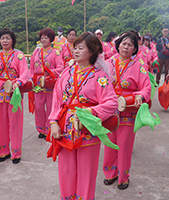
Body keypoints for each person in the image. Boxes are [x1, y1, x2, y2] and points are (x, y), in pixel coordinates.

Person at [49, 32, 118, 199]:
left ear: (93, 52)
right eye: (75, 48)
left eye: (81, 48)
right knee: (66, 170)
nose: (76, 51)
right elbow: (57, 99)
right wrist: (53, 122)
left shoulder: (99, 77)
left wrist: (90, 112)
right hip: (65, 128)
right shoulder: (66, 73)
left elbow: (111, 102)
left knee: (87, 172)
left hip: (87, 130)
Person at [103, 31, 151, 190]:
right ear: (118, 45)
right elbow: (99, 84)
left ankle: (123, 176)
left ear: (135, 49)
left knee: (124, 146)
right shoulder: (108, 63)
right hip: (110, 110)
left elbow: (146, 88)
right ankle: (110, 173)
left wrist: (139, 96)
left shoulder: (139, 66)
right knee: (110, 144)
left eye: (130, 45)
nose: (126, 47)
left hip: (127, 110)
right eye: (123, 43)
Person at [0, 28, 29, 163]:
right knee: (1, 123)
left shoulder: (19, 55)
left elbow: (24, 73)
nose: (4, 41)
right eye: (2, 38)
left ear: (12, 40)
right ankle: (3, 151)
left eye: (7, 38)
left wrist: (18, 82)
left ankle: (16, 152)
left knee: (15, 123)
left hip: (14, 93)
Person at [29, 28, 64, 139]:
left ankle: (49, 129)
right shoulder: (36, 52)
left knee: (50, 107)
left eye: (46, 38)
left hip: (50, 83)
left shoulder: (55, 53)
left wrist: (50, 73)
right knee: (38, 107)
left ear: (51, 39)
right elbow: (32, 68)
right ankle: (40, 128)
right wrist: (31, 80)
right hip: (38, 84)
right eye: (42, 38)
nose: (43, 40)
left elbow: (60, 67)